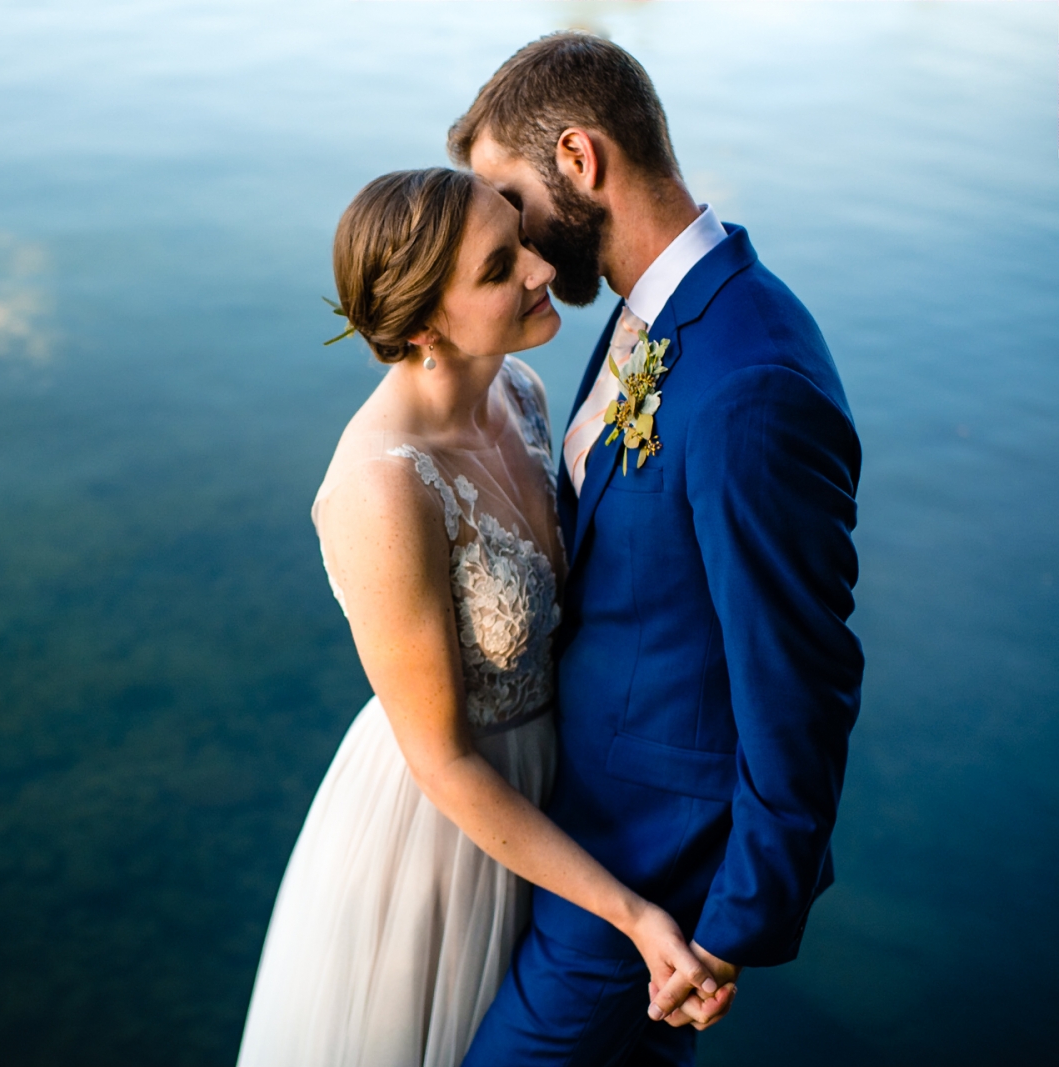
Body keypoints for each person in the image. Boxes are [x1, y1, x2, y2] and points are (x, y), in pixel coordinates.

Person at [235, 168, 726, 1067]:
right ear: (425, 327)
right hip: (445, 830)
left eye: (521, 240)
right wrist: (624, 906)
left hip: (561, 789)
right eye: (502, 268)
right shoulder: (382, 488)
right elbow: (444, 759)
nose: (542, 269)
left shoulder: (525, 395)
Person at [450, 33, 864, 1067]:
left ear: (581, 162)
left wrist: (732, 924)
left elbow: (800, 677)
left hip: (648, 881)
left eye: (508, 194)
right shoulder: (656, 311)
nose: (507, 233)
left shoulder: (747, 381)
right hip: (580, 840)